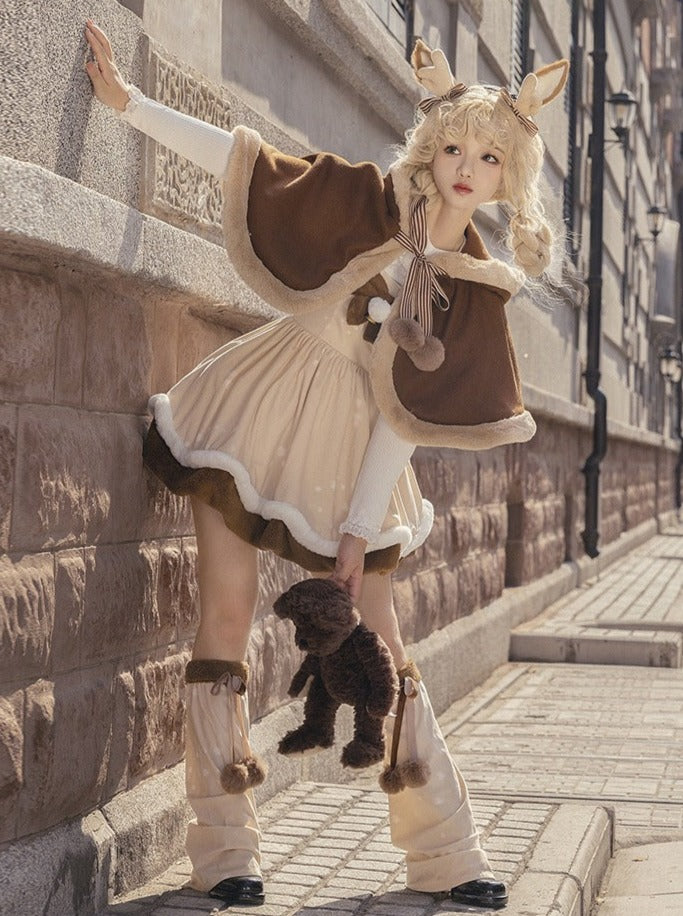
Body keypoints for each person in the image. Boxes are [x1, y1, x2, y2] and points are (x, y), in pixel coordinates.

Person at [85, 18, 568, 911]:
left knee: (383, 642)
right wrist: (131, 105)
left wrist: (357, 527)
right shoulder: (367, 199)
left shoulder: (471, 283)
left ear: (510, 176)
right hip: (252, 407)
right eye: (454, 145)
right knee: (225, 614)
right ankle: (224, 851)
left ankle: (447, 856)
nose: (467, 167)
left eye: (489, 159)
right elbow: (250, 164)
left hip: (351, 450)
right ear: (431, 144)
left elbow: (406, 414)